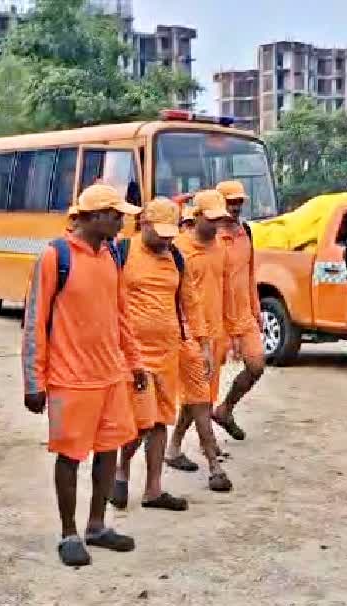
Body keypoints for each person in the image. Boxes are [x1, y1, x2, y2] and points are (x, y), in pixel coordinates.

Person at [22, 184, 147, 568]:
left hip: (111, 376)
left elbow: (120, 314)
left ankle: (96, 525)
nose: (123, 221)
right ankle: (68, 533)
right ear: (94, 217)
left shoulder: (110, 254)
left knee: (109, 450)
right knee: (69, 458)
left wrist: (135, 361)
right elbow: (34, 323)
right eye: (116, 215)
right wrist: (33, 382)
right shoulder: (54, 257)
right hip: (69, 380)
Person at [111, 198, 213, 512]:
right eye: (161, 233)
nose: (168, 239)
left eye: (171, 233)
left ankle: (153, 489)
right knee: (140, 422)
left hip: (168, 352)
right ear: (143, 225)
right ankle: (119, 469)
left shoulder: (176, 258)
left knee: (159, 422)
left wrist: (202, 343)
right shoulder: (122, 253)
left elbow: (190, 303)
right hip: (133, 355)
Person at [165, 190, 235, 491]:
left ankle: (173, 447)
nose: (218, 224)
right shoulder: (179, 248)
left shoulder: (221, 247)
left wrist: (229, 334)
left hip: (214, 335)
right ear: (197, 216)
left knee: (198, 399)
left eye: (221, 218)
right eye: (213, 218)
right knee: (201, 400)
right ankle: (213, 465)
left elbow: (225, 290)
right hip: (188, 336)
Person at [209, 180, 265, 441]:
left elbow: (250, 273)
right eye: (231, 202)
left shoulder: (247, 232)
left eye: (239, 202)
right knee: (208, 381)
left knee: (256, 365)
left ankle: (225, 410)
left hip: (243, 315)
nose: (236, 207)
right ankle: (194, 440)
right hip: (216, 318)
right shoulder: (209, 236)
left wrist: (256, 309)